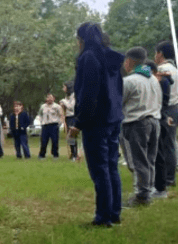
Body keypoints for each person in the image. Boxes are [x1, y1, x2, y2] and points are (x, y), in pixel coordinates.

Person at [68, 22, 125, 227]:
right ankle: (114, 213)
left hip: (97, 121)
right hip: (113, 117)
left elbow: (88, 94)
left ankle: (103, 217)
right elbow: (119, 89)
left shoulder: (88, 58)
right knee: (111, 167)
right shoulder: (111, 58)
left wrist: (79, 122)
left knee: (100, 169)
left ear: (81, 40)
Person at [121, 47, 162, 207]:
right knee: (150, 159)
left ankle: (142, 195)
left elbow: (119, 102)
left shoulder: (130, 81)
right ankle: (148, 191)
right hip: (154, 121)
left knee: (139, 161)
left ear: (130, 61)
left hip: (137, 123)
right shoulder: (153, 79)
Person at [154, 41, 178, 184]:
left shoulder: (163, 68)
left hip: (168, 108)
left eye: (155, 53)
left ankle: (169, 178)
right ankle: (168, 175)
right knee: (169, 142)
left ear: (160, 54)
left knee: (166, 144)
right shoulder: (174, 68)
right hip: (176, 106)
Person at [148, 60, 174, 199]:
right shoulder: (162, 80)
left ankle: (160, 187)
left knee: (158, 154)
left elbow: (160, 101)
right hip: (160, 116)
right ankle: (158, 185)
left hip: (159, 117)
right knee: (157, 153)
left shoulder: (161, 82)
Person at [37, 94, 62, 159]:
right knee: (43, 140)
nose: (50, 99)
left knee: (55, 140)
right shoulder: (43, 106)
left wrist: (59, 123)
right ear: (46, 98)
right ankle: (42, 155)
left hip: (54, 125)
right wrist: (41, 121)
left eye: (51, 97)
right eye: (48, 97)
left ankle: (55, 155)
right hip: (45, 125)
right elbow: (40, 114)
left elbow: (61, 115)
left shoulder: (57, 106)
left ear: (54, 98)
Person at [59, 81, 78, 160]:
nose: (63, 88)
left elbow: (71, 107)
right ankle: (72, 153)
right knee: (69, 137)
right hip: (68, 117)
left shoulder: (74, 95)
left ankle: (75, 154)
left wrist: (63, 101)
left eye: (64, 86)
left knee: (72, 135)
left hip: (73, 117)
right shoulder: (67, 96)